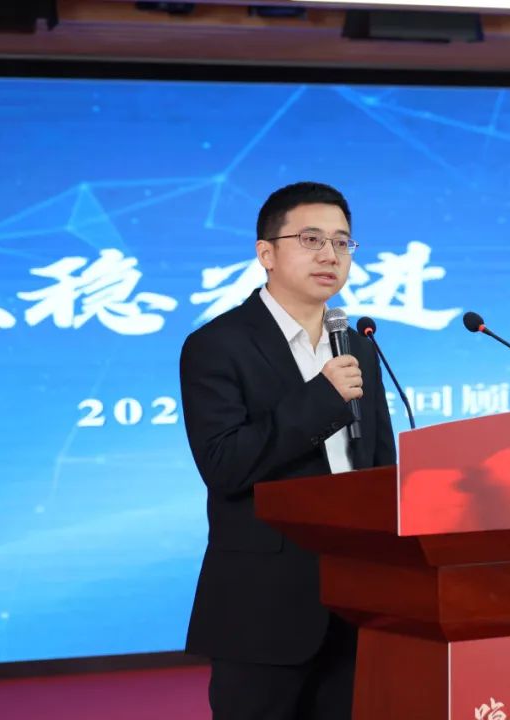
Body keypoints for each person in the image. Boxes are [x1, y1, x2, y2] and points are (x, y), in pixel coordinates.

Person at [179, 181, 397, 719]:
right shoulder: (217, 345)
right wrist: (322, 398)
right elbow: (225, 466)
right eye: (311, 239)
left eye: (342, 242)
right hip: (263, 608)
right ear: (267, 254)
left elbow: (379, 465)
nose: (330, 255)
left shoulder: (359, 345)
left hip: (358, 601)